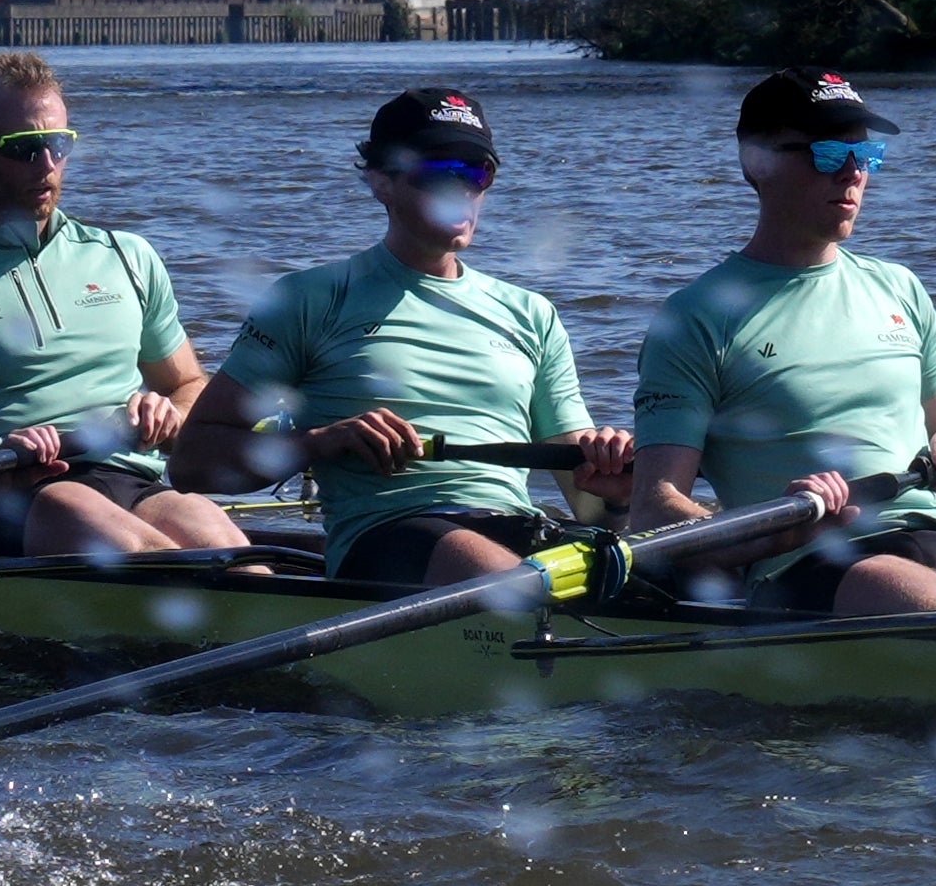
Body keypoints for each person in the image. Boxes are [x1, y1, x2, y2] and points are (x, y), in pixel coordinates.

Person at [616, 67, 936, 616]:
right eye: (826, 154)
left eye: (866, 155)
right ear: (758, 162)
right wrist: (781, 525)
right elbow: (653, 512)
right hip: (810, 557)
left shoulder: (898, 287)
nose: (852, 173)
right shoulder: (697, 318)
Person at [173, 81, 628, 592]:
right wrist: (321, 442)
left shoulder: (531, 313)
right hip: (387, 536)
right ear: (380, 181)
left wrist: (614, 495)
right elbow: (191, 463)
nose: (460, 191)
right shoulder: (310, 300)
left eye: (475, 173)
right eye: (437, 172)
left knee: (653, 571)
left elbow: (589, 506)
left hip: (514, 528)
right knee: (521, 582)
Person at [0, 51, 253, 563]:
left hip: (128, 478)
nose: (46, 165)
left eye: (58, 144)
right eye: (23, 148)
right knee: (121, 537)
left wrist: (170, 410)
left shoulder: (127, 258)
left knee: (222, 539)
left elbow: (188, 384)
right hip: (6, 498)